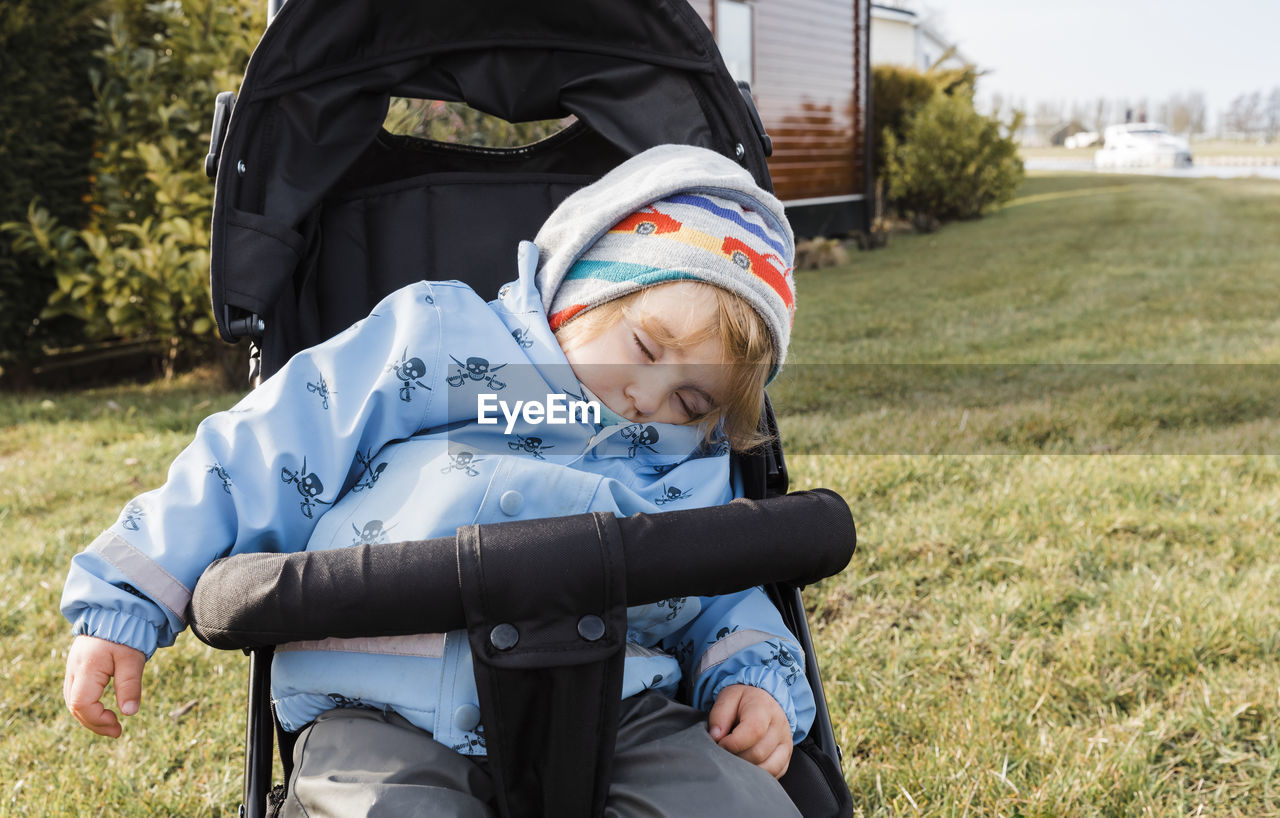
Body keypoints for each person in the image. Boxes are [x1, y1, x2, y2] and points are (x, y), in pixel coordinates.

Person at [61, 144, 810, 816]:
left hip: (614, 706)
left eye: (692, 402)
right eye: (643, 348)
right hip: (381, 700)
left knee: (736, 802)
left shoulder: (687, 465)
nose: (648, 401)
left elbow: (725, 584)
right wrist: (126, 599)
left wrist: (752, 678)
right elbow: (267, 452)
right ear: (577, 287)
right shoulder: (439, 342)